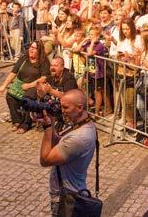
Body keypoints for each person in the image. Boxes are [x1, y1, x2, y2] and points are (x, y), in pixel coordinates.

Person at [33, 89, 98, 217]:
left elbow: (45, 160)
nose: (62, 111)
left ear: (79, 107)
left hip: (67, 199)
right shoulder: (86, 125)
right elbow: (60, 141)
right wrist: (50, 120)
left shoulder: (78, 137)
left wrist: (47, 128)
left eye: (66, 107)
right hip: (75, 191)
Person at [0, 41, 49, 134]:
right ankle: (17, 121)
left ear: (39, 50)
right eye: (31, 47)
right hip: (21, 84)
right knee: (10, 96)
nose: (31, 49)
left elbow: (43, 78)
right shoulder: (24, 58)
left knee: (27, 99)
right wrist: (3, 86)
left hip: (35, 86)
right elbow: (13, 72)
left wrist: (29, 85)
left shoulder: (44, 61)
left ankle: (26, 124)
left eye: (34, 48)